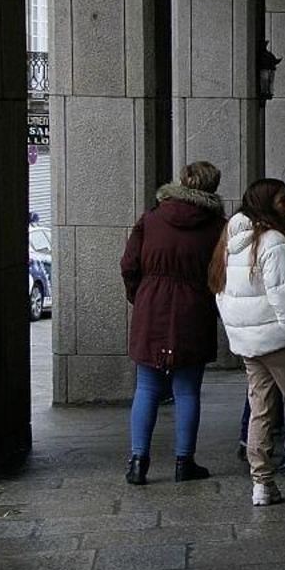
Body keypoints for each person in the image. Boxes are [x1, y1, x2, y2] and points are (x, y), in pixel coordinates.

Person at [211, 179, 285, 507]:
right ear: (266, 204)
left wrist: (239, 333)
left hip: (250, 343)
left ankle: (262, 483)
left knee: (260, 411)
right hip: (282, 342)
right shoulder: (274, 242)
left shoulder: (230, 241)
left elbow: (220, 292)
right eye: (282, 200)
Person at [119, 161, 226, 485]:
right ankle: (184, 462)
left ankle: (139, 461)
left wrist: (141, 295)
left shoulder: (151, 218)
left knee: (147, 387)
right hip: (194, 307)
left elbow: (128, 264)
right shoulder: (217, 226)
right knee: (187, 389)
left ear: (182, 181)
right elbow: (222, 270)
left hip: (151, 304)